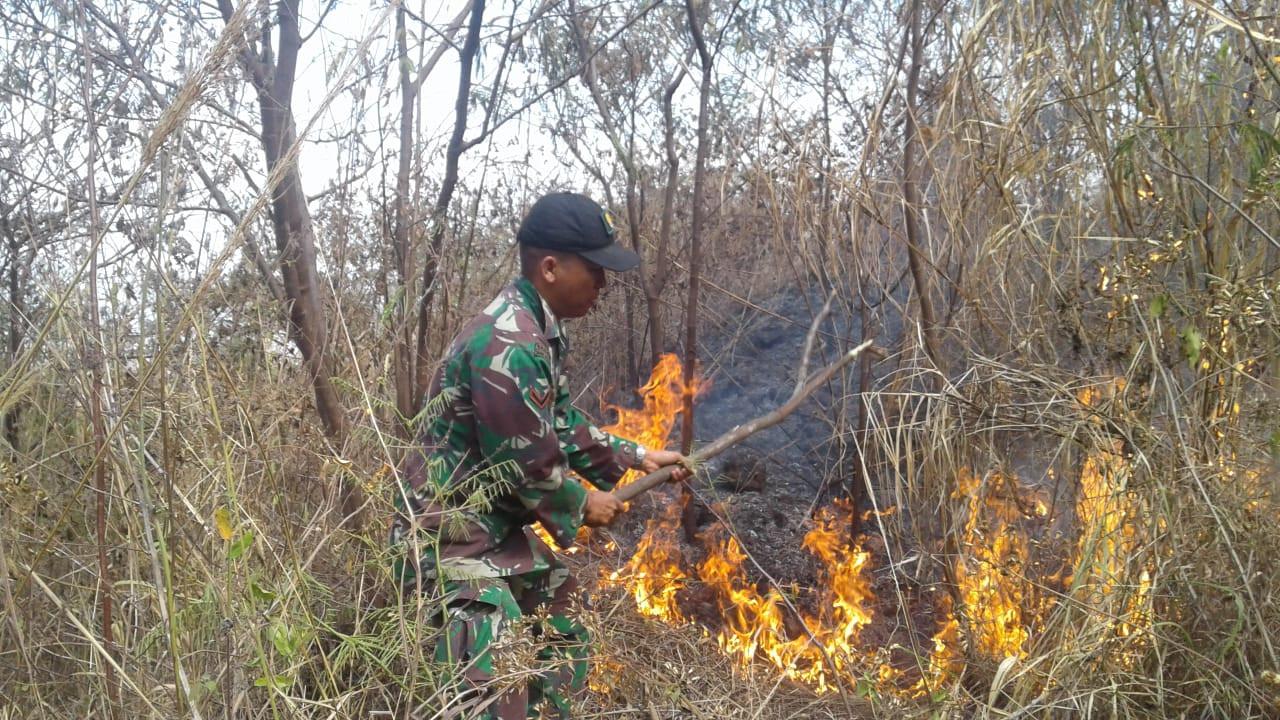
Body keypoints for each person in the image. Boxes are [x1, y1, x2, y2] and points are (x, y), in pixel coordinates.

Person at [390, 192, 690, 719]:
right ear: (551, 267)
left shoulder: (541, 331)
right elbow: (525, 467)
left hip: (490, 532)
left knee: (563, 607)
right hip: (446, 543)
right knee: (495, 664)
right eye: (594, 270)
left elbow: (562, 424)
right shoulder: (508, 343)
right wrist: (583, 506)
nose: (602, 283)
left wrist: (637, 456)